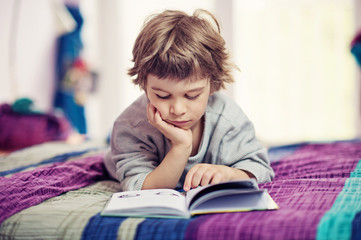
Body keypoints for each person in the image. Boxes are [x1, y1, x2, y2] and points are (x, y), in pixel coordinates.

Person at [104, 9, 274, 192]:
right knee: (111, 145)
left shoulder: (227, 118)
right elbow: (142, 189)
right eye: (162, 96)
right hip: (118, 158)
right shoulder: (130, 126)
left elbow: (261, 169)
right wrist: (181, 146)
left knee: (253, 145)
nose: (177, 109)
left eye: (192, 95)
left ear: (213, 85)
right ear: (144, 85)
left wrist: (229, 174)